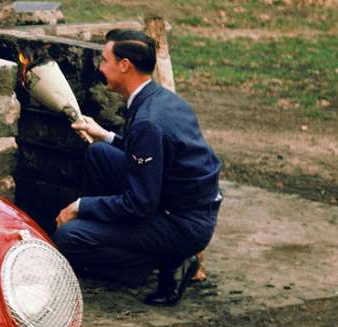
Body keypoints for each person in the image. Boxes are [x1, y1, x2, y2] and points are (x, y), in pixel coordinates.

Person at [53, 29, 222, 306]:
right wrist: (105, 135)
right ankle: (129, 241)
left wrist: (81, 206)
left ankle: (158, 262)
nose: (100, 67)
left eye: (105, 60)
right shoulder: (161, 99)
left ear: (124, 65)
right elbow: (154, 156)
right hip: (176, 202)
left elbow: (139, 204)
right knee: (99, 153)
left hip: (182, 223)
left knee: (69, 237)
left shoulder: (148, 121)